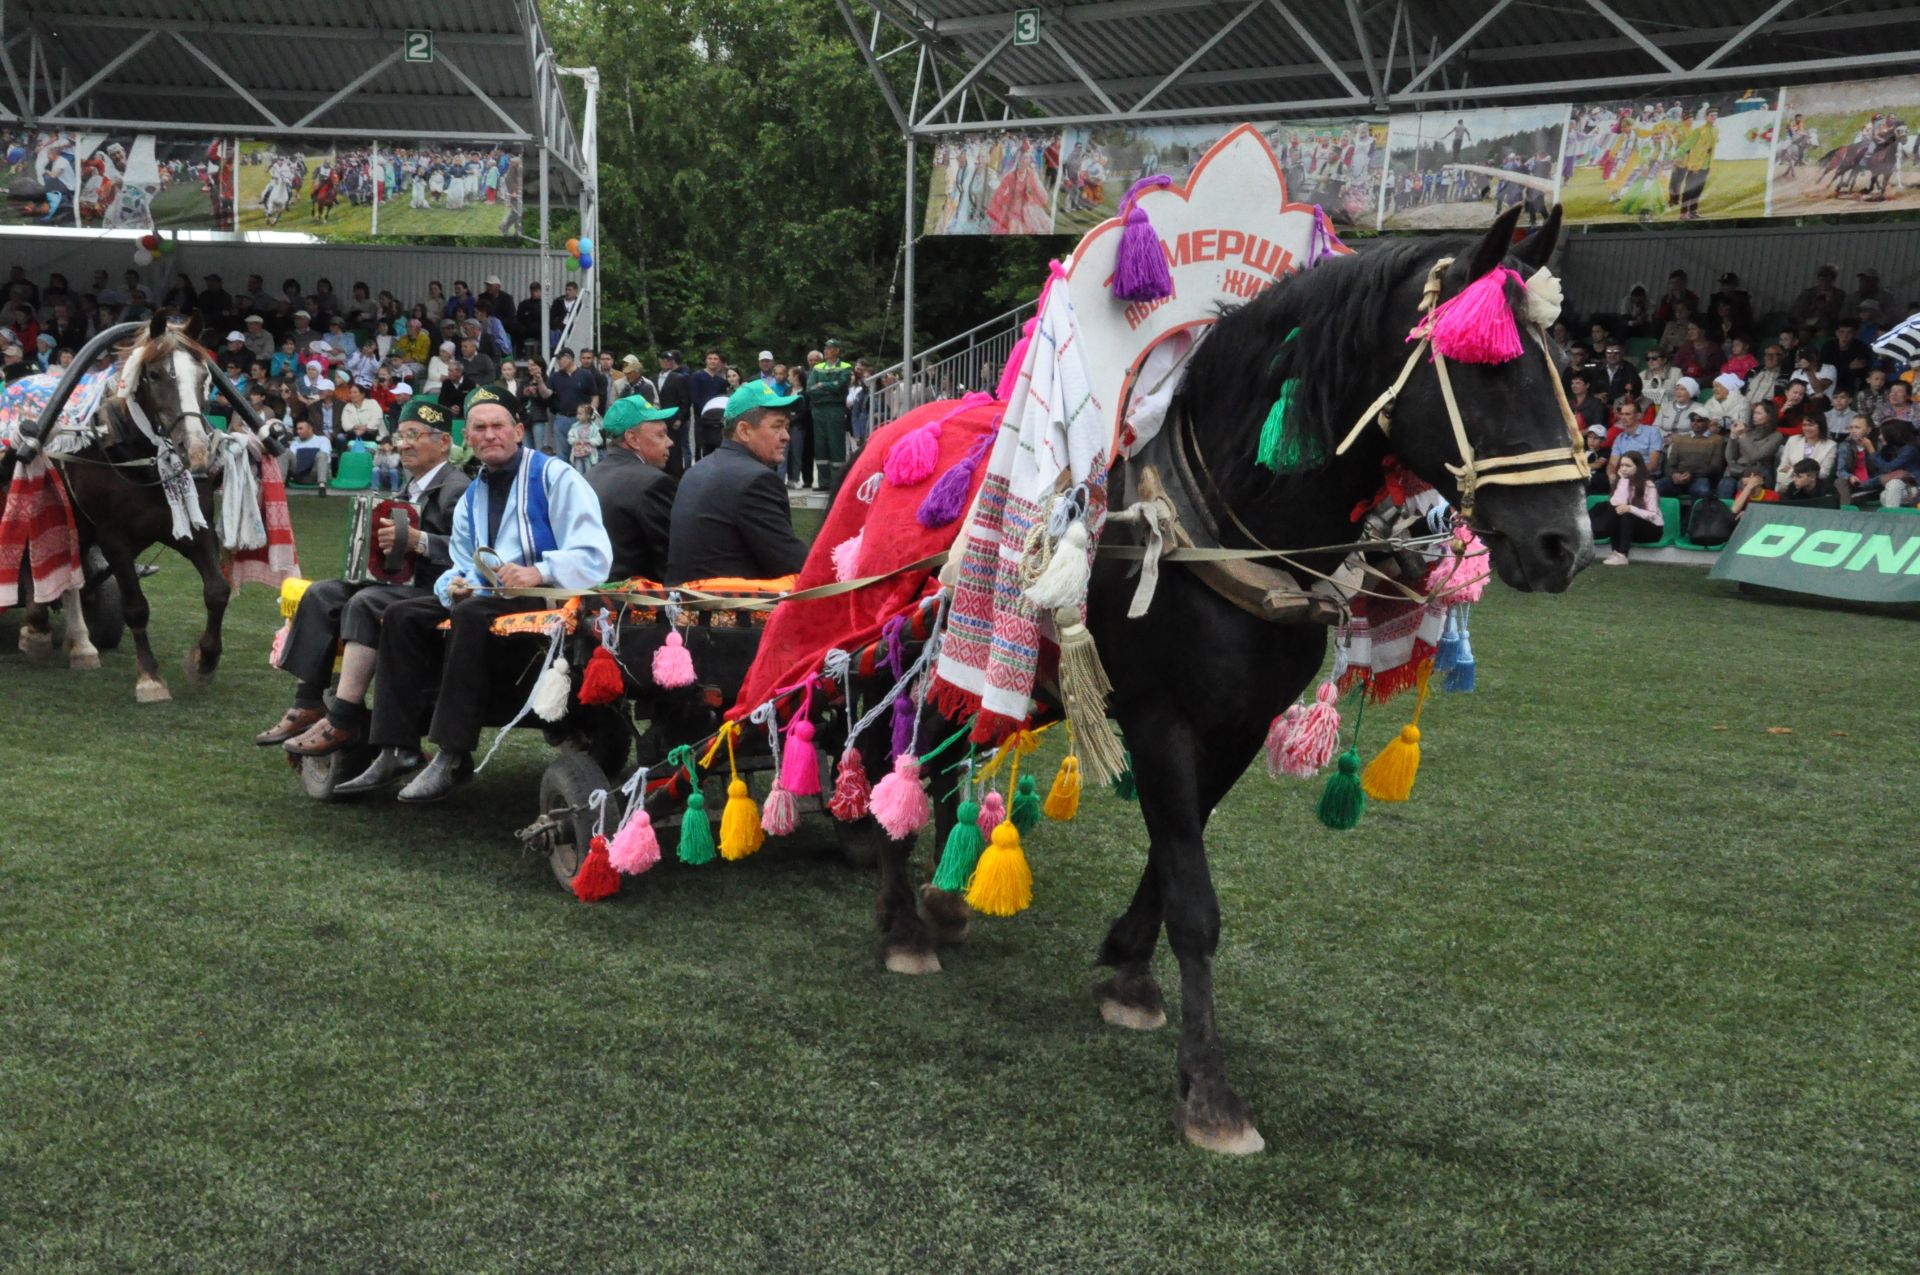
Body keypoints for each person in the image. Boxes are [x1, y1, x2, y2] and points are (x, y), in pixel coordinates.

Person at [341, 384, 613, 802]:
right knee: (402, 616)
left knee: (470, 615)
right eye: (479, 428)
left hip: (551, 595)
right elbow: (461, 562)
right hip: (488, 597)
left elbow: (594, 554)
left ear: (518, 430)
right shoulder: (473, 494)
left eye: (498, 426)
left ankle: (453, 753)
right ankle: (397, 748)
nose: (490, 435)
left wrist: (538, 571)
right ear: (467, 438)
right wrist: (454, 584)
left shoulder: (555, 476)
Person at [261, 399, 471, 756]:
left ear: (443, 443)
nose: (403, 443)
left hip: (435, 590)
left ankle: (343, 717)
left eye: (414, 435)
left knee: (363, 602)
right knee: (320, 594)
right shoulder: (411, 487)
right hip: (400, 583)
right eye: (401, 435)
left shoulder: (459, 488)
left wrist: (422, 543)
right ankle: (308, 702)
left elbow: (472, 551)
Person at [666, 380, 810, 584]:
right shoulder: (757, 480)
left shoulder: (696, 470)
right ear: (744, 431)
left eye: (787, 427)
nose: (786, 436)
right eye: (777, 426)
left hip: (688, 607)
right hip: (731, 609)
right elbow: (793, 563)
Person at [586, 395, 678, 582]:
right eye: (660, 435)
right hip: (638, 602)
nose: (670, 442)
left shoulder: (588, 477)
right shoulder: (653, 482)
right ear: (632, 439)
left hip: (591, 598)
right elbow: (672, 556)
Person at [1590, 451, 1663, 566]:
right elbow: (1615, 504)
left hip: (1651, 530)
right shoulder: (1622, 482)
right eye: (1622, 465)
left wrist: (1630, 508)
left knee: (1626, 513)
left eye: (1628, 466)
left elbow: (1652, 514)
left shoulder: (1648, 485)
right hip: (1631, 530)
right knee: (1614, 509)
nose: (1623, 469)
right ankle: (1615, 552)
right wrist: (1623, 480)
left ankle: (1622, 555)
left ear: (1638, 467)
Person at [805, 338, 853, 489]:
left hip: (835, 409)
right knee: (820, 445)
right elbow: (810, 389)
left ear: (837, 350)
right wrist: (828, 388)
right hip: (818, 410)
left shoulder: (845, 367)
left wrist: (822, 385)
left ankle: (836, 482)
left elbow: (840, 386)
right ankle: (823, 482)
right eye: (825, 348)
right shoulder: (818, 368)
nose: (826, 351)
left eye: (830, 348)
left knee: (836, 445)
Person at [538, 348, 598, 459]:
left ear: (569, 358)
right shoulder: (555, 376)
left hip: (581, 420)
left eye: (560, 359)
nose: (558, 362)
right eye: (557, 359)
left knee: (581, 454)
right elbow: (546, 394)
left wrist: (591, 412)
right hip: (561, 419)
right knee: (562, 455)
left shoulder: (586, 375)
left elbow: (595, 396)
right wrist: (540, 381)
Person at [1719, 401, 1782, 498]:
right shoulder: (1747, 431)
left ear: (1769, 416)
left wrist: (1742, 436)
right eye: (1754, 412)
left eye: (1759, 413)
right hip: (1737, 471)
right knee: (1726, 484)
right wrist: (1733, 436)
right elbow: (1730, 457)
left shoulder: (1776, 436)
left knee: (1744, 485)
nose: (1754, 416)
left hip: (1757, 475)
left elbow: (1755, 456)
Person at [1660, 407, 1725, 499]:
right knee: (1655, 487)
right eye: (1692, 420)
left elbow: (1715, 467)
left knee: (1702, 491)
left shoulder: (1717, 440)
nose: (1695, 422)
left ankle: (1695, 513)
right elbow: (1670, 464)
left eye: (1699, 420)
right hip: (1678, 479)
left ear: (1708, 422)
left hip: (1701, 478)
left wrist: (1692, 475)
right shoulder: (1680, 439)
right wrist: (1673, 474)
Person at [656, 349, 694, 477]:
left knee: (675, 450)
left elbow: (685, 400)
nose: (666, 362)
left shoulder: (678, 378)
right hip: (658, 419)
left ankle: (677, 477)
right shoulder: (653, 378)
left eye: (669, 360)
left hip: (673, 420)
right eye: (664, 359)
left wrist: (680, 419)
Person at [1775, 410, 1837, 487]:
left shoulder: (1830, 445)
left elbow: (1823, 473)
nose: (1806, 428)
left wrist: (1792, 470)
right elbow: (1782, 468)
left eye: (1811, 425)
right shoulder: (1793, 440)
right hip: (1788, 483)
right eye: (1804, 425)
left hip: (1812, 487)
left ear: (1821, 426)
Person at [285, 418, 332, 492]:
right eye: (297, 429)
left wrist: (304, 454)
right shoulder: (295, 442)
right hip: (299, 474)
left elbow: (326, 458)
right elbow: (292, 460)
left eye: (301, 429)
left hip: (315, 474)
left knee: (322, 454)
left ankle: (322, 486)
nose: (298, 431)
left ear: (310, 429)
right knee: (286, 451)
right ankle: (280, 484)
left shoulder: (323, 440)